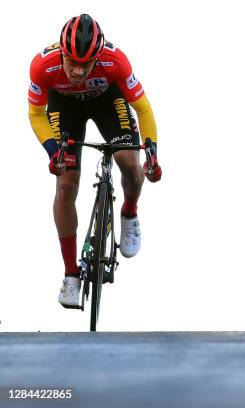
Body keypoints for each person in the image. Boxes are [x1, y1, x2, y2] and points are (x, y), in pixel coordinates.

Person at [27, 14, 162, 308]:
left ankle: (129, 212)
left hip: (107, 102)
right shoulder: (42, 65)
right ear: (61, 53)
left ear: (98, 57)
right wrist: (53, 151)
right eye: (71, 62)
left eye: (85, 64)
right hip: (64, 107)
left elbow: (144, 109)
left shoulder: (116, 61)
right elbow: (37, 114)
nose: (77, 71)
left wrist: (152, 153)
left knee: (130, 164)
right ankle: (71, 276)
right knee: (65, 188)